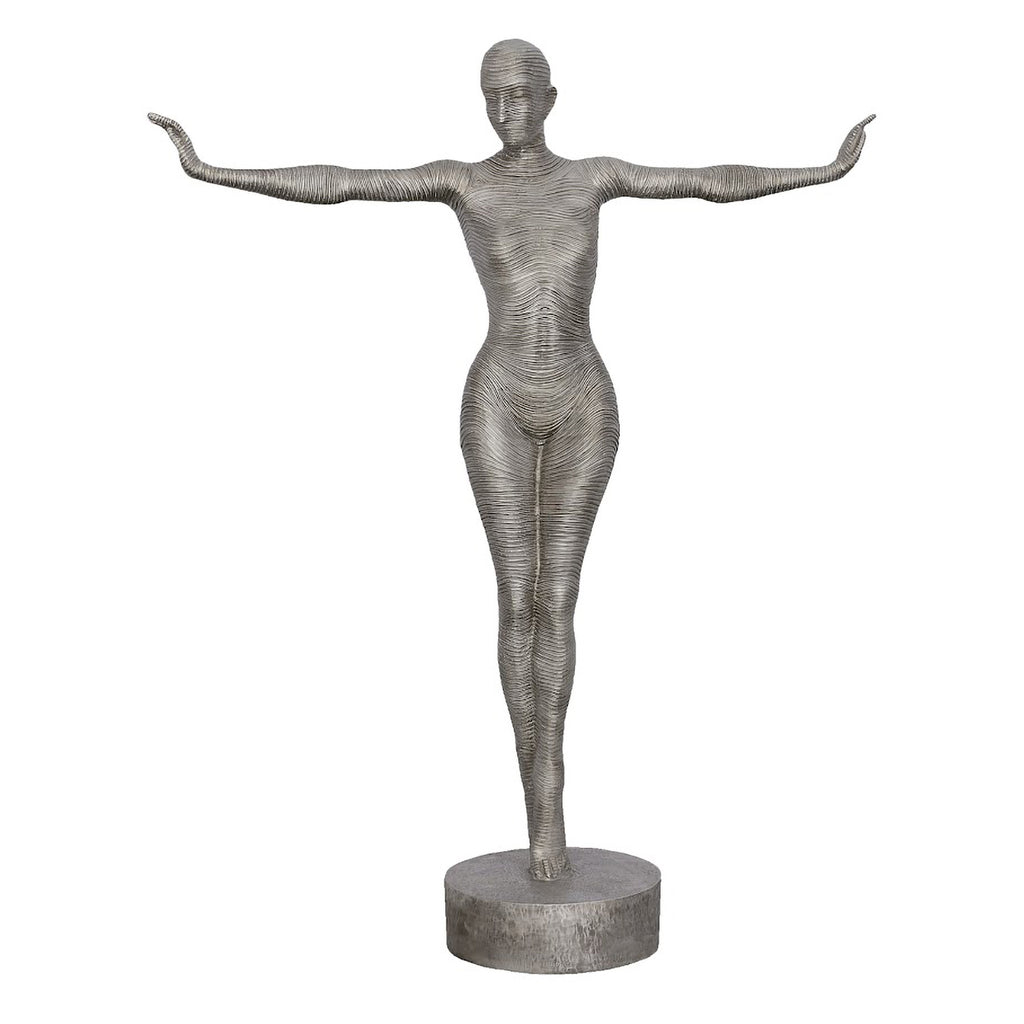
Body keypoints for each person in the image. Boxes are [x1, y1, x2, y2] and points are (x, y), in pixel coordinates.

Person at [150, 38, 873, 881]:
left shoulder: (592, 177)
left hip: (580, 398)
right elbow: (341, 182)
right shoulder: (465, 182)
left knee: (557, 602)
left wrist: (825, 169)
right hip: (498, 398)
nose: (506, 110)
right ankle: (540, 818)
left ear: (552, 98)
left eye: (521, 94)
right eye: (493, 96)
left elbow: (708, 181)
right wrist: (210, 167)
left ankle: (551, 808)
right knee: (515, 601)